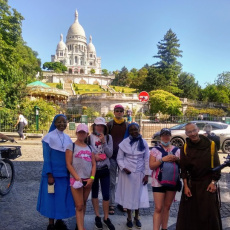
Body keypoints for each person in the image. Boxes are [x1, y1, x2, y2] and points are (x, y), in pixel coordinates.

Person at [176, 123, 222, 230]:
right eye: (189, 132)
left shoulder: (211, 145)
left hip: (207, 185)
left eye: (194, 131)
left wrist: (213, 182)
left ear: (198, 130)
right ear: (186, 134)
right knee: (190, 216)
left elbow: (217, 165)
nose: (192, 134)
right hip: (192, 186)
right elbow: (184, 169)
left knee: (208, 215)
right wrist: (186, 186)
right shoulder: (185, 148)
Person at [37, 114, 75, 230]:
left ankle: (60, 220)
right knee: (51, 199)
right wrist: (49, 174)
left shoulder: (68, 138)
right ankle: (51, 224)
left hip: (64, 175)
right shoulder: (48, 137)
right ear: (54, 123)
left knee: (61, 198)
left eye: (64, 122)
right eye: (59, 122)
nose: (62, 124)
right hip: (52, 175)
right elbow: (47, 158)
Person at [115, 123, 150, 229]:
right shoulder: (124, 143)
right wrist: (124, 167)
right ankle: (129, 218)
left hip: (140, 173)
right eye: (132, 130)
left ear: (139, 130)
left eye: (136, 129)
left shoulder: (144, 143)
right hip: (127, 174)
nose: (134, 131)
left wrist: (147, 174)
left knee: (138, 196)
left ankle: (137, 217)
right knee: (129, 196)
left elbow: (147, 159)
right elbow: (119, 158)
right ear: (128, 131)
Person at [66, 123, 96, 230]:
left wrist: (92, 178)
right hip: (76, 180)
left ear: (87, 134)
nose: (82, 134)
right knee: (78, 205)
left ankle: (80, 225)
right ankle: (80, 228)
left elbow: (93, 164)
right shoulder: (71, 146)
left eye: (84, 132)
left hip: (88, 180)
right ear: (76, 133)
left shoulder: (90, 148)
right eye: (80, 132)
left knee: (83, 204)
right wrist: (76, 176)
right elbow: (68, 163)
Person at [149, 128, 180, 230]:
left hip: (172, 181)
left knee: (167, 207)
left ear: (170, 136)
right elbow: (151, 166)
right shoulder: (154, 150)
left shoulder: (177, 150)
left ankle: (164, 228)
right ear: (160, 136)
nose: (165, 137)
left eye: (167, 135)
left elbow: (182, 166)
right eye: (163, 135)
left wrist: (177, 159)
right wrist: (162, 160)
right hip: (158, 182)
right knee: (158, 208)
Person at [87, 117, 115, 230]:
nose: (99, 127)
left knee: (106, 194)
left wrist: (104, 142)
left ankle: (106, 218)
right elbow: (86, 153)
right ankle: (97, 216)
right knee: (94, 194)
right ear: (94, 126)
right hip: (94, 170)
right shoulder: (89, 138)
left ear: (104, 127)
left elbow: (109, 154)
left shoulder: (108, 137)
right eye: (97, 125)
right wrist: (94, 157)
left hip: (104, 169)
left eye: (101, 126)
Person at [107, 104, 128, 214]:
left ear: (123, 112)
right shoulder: (110, 124)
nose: (119, 112)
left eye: (121, 111)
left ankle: (122, 202)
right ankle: (111, 203)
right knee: (112, 182)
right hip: (112, 157)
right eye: (117, 111)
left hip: (124, 157)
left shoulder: (127, 125)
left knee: (123, 181)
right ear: (114, 112)